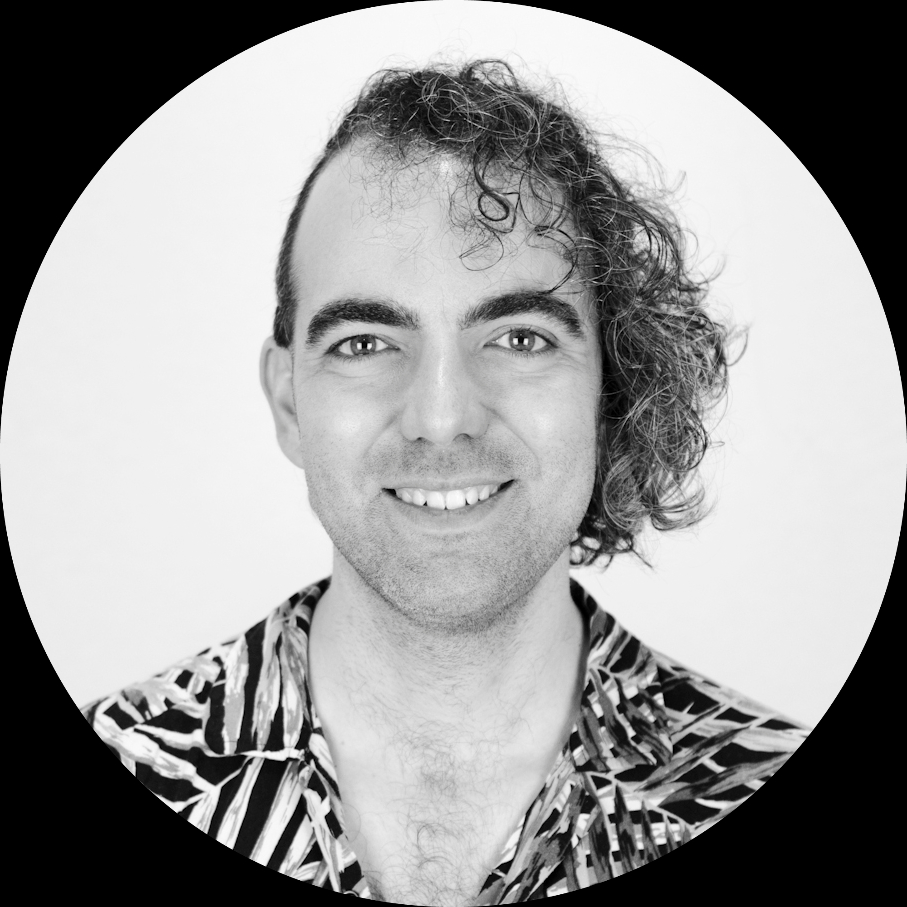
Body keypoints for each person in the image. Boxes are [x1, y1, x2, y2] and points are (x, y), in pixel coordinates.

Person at [82, 60, 808, 903]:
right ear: (288, 403)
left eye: (519, 337)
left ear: (609, 388)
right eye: (364, 343)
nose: (440, 416)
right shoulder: (131, 758)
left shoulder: (749, 781)